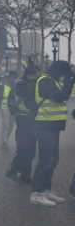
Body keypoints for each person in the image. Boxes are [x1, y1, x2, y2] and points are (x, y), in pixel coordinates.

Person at [29, 60, 74, 206]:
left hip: (53, 125)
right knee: (45, 161)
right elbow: (61, 96)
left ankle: (46, 189)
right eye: (63, 73)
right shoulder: (45, 81)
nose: (64, 76)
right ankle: (36, 193)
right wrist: (70, 82)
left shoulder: (52, 81)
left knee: (53, 161)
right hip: (44, 125)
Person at [5, 60, 40, 184]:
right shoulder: (22, 84)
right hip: (23, 118)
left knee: (30, 149)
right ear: (30, 75)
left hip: (30, 118)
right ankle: (11, 170)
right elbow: (28, 96)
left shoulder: (29, 83)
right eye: (37, 76)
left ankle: (25, 174)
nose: (38, 78)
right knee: (23, 148)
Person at [0, 71, 17, 151]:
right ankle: (4, 142)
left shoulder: (16, 85)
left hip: (13, 107)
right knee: (5, 125)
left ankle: (6, 140)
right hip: (5, 107)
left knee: (11, 125)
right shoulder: (3, 85)